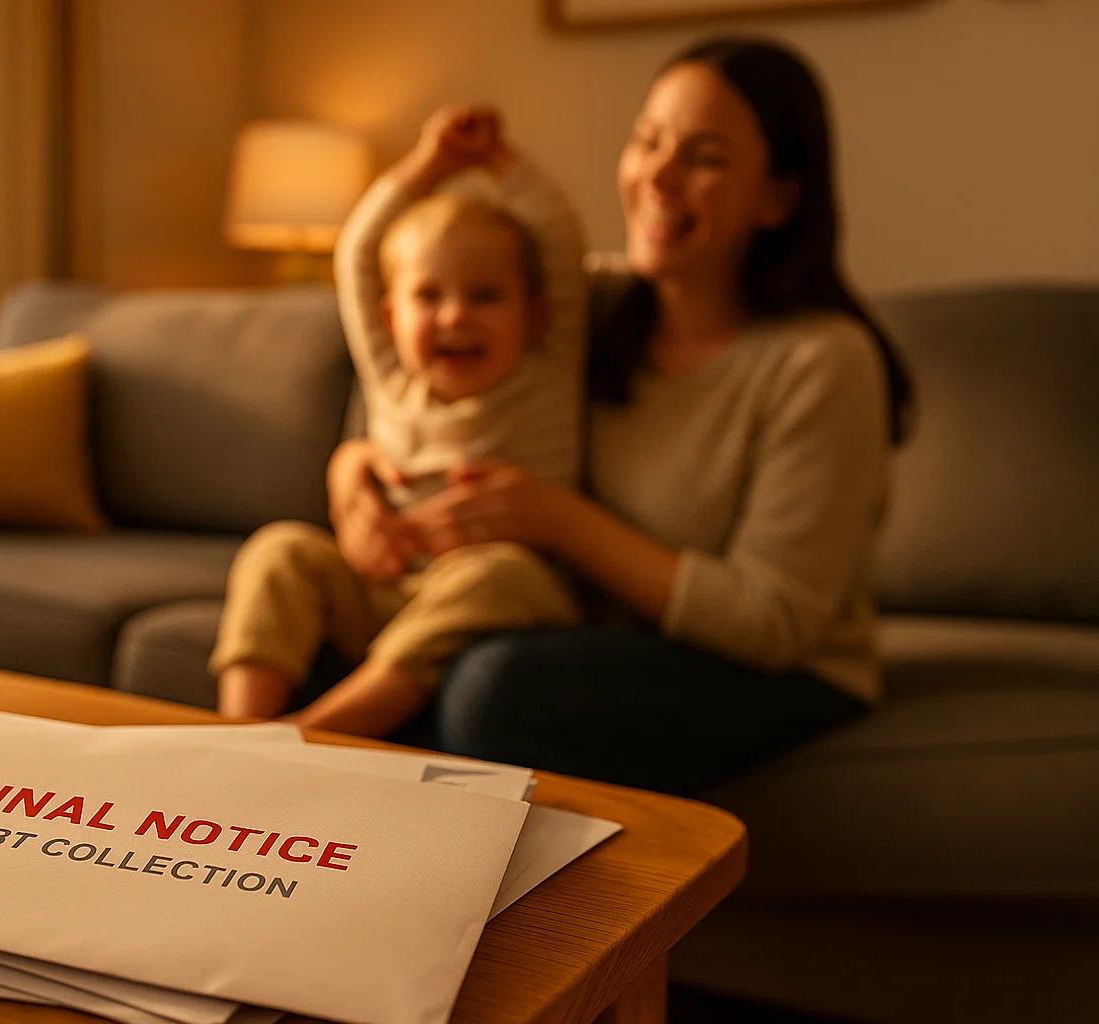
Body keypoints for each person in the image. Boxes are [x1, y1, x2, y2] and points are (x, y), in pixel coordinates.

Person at [325, 36, 915, 796]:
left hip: (778, 670)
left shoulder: (823, 362)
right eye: (647, 142)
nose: (658, 177)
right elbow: (409, 400)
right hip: (591, 632)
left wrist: (557, 520)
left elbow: (773, 623)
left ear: (778, 197)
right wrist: (352, 480)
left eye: (703, 157)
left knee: (494, 687)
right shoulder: (587, 309)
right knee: (328, 623)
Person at [210, 107, 588, 738]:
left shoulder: (541, 371)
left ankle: (316, 731)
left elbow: (558, 235)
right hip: (377, 588)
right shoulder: (391, 374)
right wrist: (427, 164)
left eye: (485, 295)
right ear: (390, 317)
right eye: (429, 296)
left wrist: (501, 163)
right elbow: (358, 251)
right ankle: (236, 732)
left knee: (504, 573)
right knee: (278, 550)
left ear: (536, 314)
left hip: (489, 591)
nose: (455, 317)